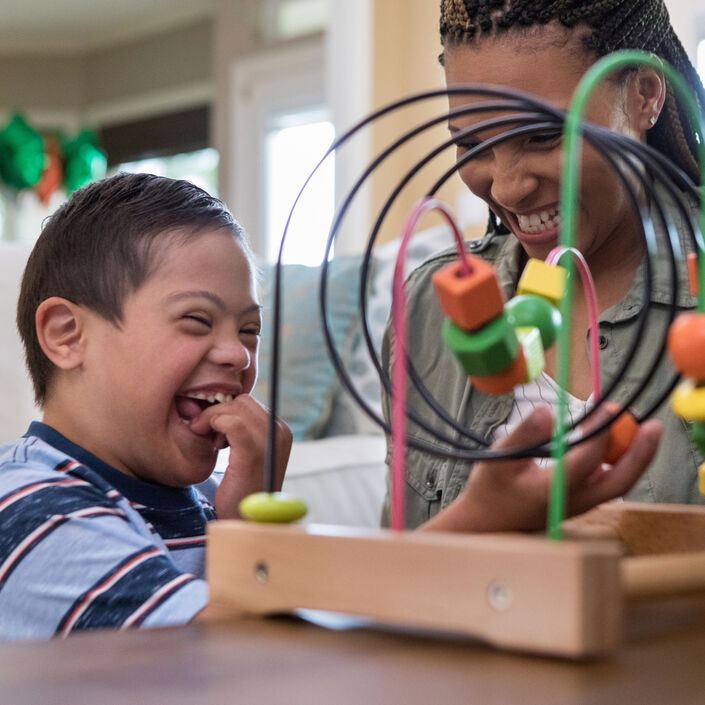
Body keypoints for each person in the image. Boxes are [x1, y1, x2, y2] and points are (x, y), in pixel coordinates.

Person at [382, 0, 705, 530]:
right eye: (471, 143)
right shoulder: (424, 308)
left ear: (645, 94)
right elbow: (396, 577)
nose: (507, 187)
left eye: (542, 134)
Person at [0, 172, 292, 640]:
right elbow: (261, 658)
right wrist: (248, 534)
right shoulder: (30, 508)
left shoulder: (221, 497)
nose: (238, 354)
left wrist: (246, 519)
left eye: (249, 331)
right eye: (197, 320)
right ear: (66, 335)